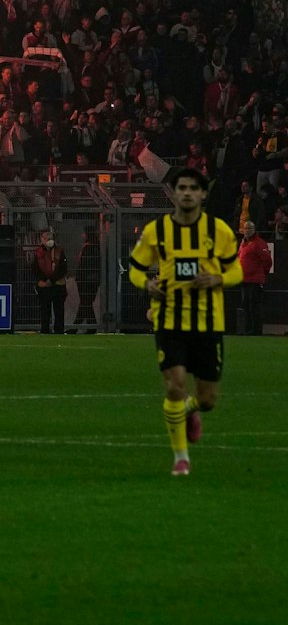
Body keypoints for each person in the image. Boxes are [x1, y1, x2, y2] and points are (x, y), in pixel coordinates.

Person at [127, 168, 243, 476]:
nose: (188, 192)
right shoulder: (156, 231)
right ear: (174, 193)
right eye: (182, 187)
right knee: (174, 387)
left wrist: (218, 278)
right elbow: (135, 269)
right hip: (169, 322)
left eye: (194, 187)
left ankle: (193, 410)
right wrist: (147, 284)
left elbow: (237, 272)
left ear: (203, 194)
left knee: (207, 399)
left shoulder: (219, 231)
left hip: (208, 323)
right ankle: (181, 457)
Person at [237, 221, 271, 336]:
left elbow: (267, 261)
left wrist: (261, 273)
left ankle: (255, 330)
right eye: (245, 229)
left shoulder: (259, 243)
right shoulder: (243, 243)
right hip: (245, 279)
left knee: (254, 305)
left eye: (249, 229)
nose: (247, 231)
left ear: (254, 230)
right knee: (246, 305)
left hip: (255, 280)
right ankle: (247, 329)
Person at [32, 229, 66, 335]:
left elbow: (63, 269)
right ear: (42, 240)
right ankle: (45, 330)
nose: (49, 240)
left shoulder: (59, 251)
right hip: (44, 286)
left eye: (50, 238)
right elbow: (35, 269)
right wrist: (44, 280)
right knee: (45, 310)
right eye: (46, 238)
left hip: (57, 285)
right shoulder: (37, 252)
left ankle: (59, 331)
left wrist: (52, 280)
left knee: (59, 310)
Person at [74, 230, 104, 333]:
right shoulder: (96, 248)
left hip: (86, 280)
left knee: (85, 303)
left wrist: (79, 277)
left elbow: (84, 265)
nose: (82, 235)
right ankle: (86, 326)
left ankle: (78, 326)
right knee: (86, 303)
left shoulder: (88, 248)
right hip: (91, 280)